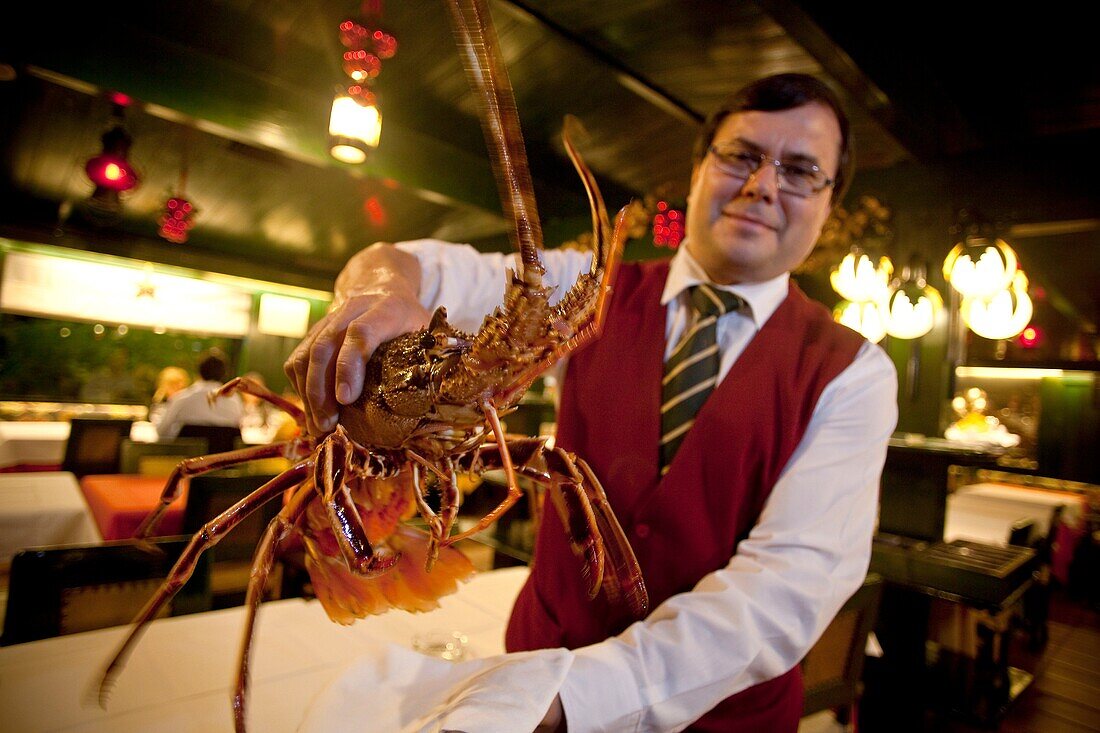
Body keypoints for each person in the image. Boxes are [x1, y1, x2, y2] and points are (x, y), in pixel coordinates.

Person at [286, 73, 898, 731]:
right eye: (741, 155)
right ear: (696, 172)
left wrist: (575, 695)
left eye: (801, 170)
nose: (764, 184)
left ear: (828, 204)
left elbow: (784, 589)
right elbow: (412, 262)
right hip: (533, 666)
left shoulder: (855, 372)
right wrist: (383, 288)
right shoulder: (585, 289)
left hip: (714, 718)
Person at [155, 348, 243, 440]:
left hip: (189, 454)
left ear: (199, 372)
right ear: (224, 374)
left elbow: (161, 432)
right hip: (223, 454)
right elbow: (238, 437)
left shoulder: (182, 398)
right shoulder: (235, 401)